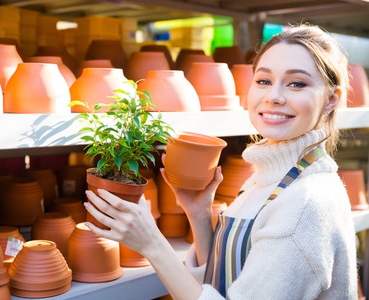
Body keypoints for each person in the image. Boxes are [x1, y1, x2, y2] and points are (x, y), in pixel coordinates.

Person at [83, 23, 358, 299]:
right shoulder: (269, 177)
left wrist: (153, 244)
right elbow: (227, 282)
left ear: (331, 100)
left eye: (297, 83)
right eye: (263, 81)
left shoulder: (305, 204)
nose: (273, 97)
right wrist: (199, 215)